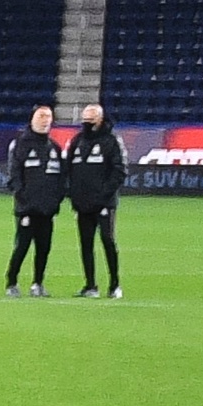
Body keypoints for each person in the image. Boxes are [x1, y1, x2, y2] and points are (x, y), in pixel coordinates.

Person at [66, 100, 125, 296]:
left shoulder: (111, 141)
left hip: (104, 203)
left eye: (90, 120)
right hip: (82, 204)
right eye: (84, 120)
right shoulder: (77, 141)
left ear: (100, 119)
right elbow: (68, 171)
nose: (87, 123)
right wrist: (73, 195)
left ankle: (114, 284)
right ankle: (90, 285)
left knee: (108, 240)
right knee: (86, 244)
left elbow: (119, 171)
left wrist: (103, 195)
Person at [2, 102, 61, 295]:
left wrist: (55, 200)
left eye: (48, 117)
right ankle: (11, 282)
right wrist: (23, 199)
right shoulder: (20, 144)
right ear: (33, 118)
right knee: (22, 247)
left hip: (47, 209)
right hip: (26, 208)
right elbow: (14, 175)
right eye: (41, 116)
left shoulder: (55, 148)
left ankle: (38, 283)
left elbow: (62, 179)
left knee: (44, 248)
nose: (45, 121)